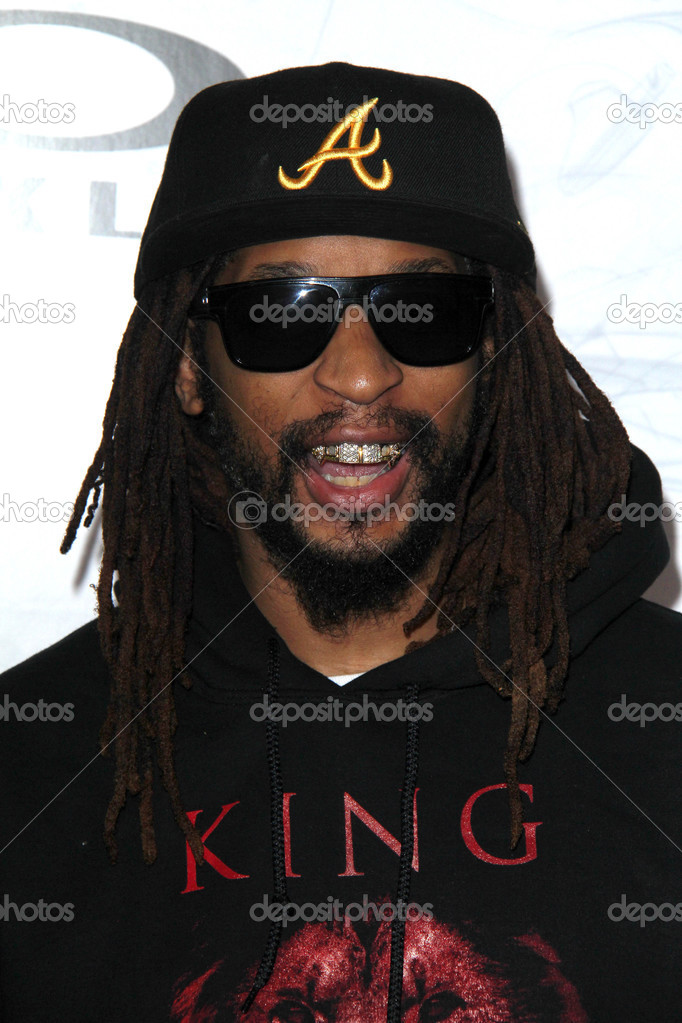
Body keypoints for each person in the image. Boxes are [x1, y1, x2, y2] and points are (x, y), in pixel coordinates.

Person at [1, 61, 680, 1022]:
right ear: (189, 363)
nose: (361, 374)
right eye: (283, 313)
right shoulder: (30, 765)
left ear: (493, 352)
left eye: (424, 311)